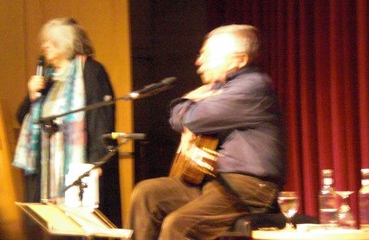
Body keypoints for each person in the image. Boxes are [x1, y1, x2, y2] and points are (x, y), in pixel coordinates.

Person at [127, 24, 286, 239]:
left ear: (238, 60)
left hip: (248, 188)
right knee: (147, 193)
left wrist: (188, 104)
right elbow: (179, 119)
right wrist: (188, 110)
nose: (199, 61)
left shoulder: (252, 87)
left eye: (207, 55)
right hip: (213, 182)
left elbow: (193, 119)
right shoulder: (220, 89)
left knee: (179, 224)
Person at [13, 17, 122, 228]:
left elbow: (101, 119)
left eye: (51, 41)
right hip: (45, 168)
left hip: (78, 166)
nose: (44, 45)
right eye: (44, 41)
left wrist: (97, 162)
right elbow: (22, 118)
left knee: (79, 228)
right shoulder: (46, 79)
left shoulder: (90, 71)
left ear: (68, 43)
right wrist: (31, 95)